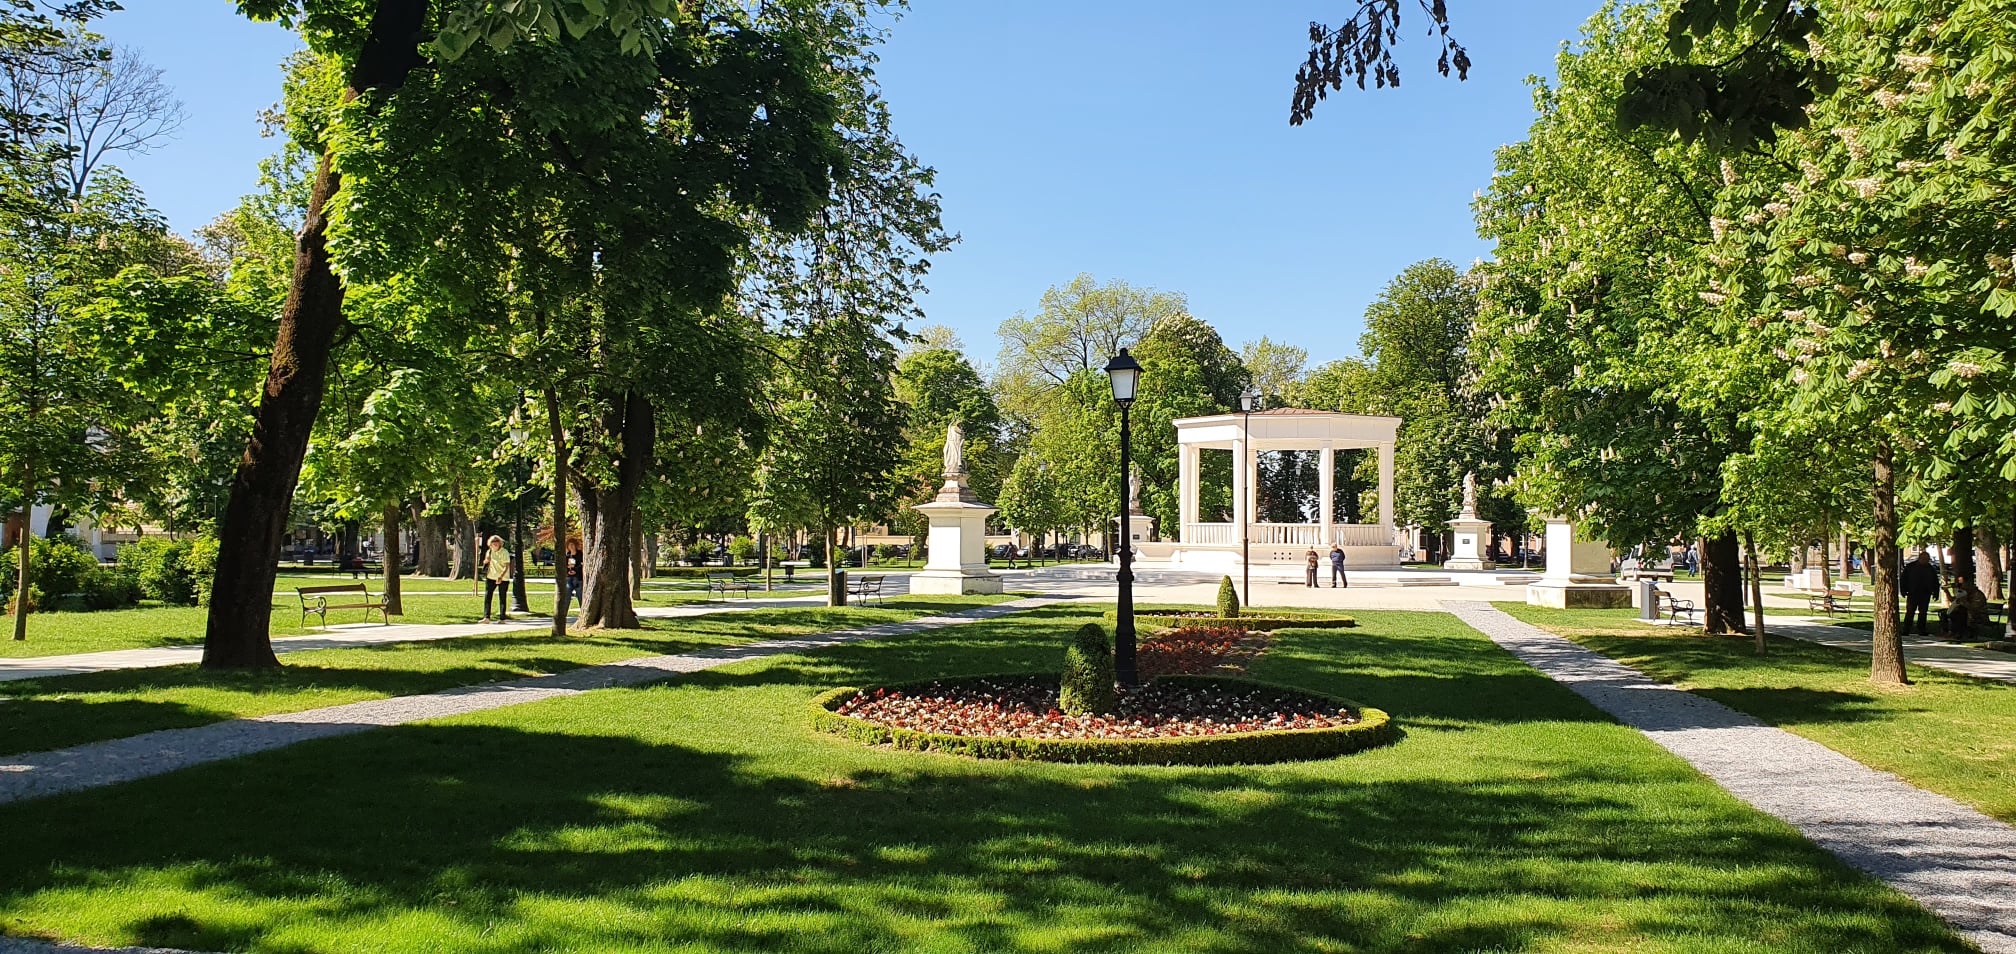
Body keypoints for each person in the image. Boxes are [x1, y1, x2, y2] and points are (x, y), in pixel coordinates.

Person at [1900, 551, 1940, 638]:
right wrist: (1903, 590)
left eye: (1927, 559)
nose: (1926, 561)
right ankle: (1906, 629)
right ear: (1920, 558)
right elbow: (1903, 580)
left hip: (1925, 593)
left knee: (1923, 612)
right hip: (1913, 593)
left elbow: (1935, 582)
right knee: (1910, 612)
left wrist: (1936, 593)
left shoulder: (1930, 569)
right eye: (1925, 559)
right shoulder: (1910, 567)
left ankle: (1922, 629)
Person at [481, 535, 513, 623]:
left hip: (503, 578)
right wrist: (486, 561)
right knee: (488, 597)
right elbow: (486, 561)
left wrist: (501, 576)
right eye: (493, 542)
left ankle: (502, 618)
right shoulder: (489, 551)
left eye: (496, 542)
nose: (495, 543)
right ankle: (486, 617)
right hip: (491, 577)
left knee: (502, 597)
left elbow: (506, 566)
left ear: (500, 543)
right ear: (490, 544)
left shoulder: (504, 552)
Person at [564, 544, 583, 613]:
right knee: (567, 596)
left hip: (578, 579)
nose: (571, 547)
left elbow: (581, 565)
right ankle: (563, 614)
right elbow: (565, 566)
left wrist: (576, 570)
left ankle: (583, 612)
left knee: (580, 596)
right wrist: (568, 571)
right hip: (569, 579)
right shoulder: (567, 556)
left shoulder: (580, 555)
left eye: (572, 545)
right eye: (569, 545)